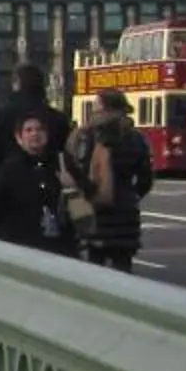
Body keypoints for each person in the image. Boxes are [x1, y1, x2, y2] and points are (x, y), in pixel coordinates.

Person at [66, 89, 153, 273]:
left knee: (95, 268)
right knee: (123, 268)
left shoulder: (88, 136)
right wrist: (131, 196)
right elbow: (145, 178)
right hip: (126, 213)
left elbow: (77, 171)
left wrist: (88, 193)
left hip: (95, 212)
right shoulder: (136, 138)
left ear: (104, 110)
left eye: (96, 108)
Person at [0, 110, 80, 256]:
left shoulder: (61, 164)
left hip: (59, 245)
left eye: (39, 129)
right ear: (19, 137)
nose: (34, 134)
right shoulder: (10, 169)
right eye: (28, 130)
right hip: (23, 245)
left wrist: (72, 186)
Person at [0, 60, 70, 180]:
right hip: (47, 187)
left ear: (17, 84)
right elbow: (65, 158)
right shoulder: (58, 119)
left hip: (10, 187)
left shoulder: (2, 117)